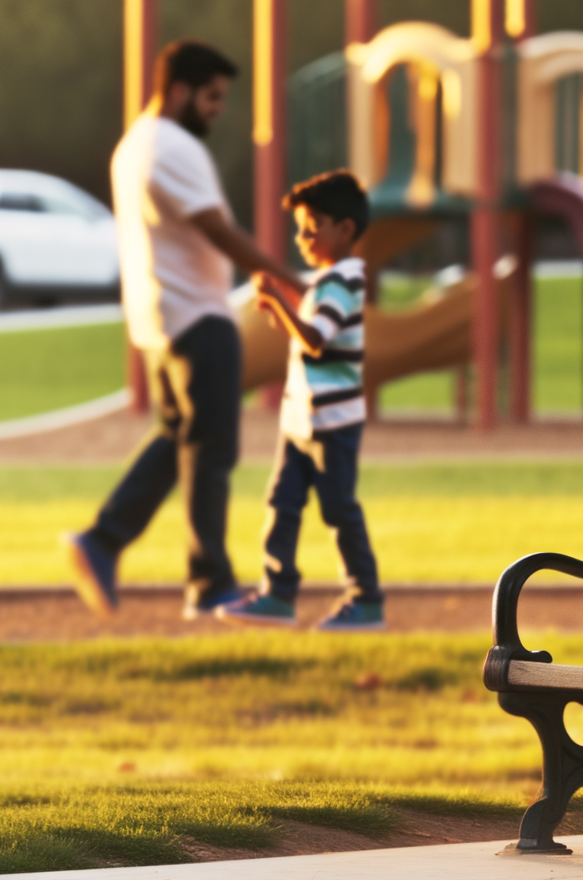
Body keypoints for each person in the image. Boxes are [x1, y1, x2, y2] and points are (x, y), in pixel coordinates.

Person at [63, 40, 301, 620]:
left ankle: (103, 540)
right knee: (212, 449)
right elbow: (217, 229)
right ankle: (209, 580)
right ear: (180, 91)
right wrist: (286, 278)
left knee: (180, 441)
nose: (218, 108)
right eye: (212, 96)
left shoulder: (133, 146)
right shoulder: (171, 145)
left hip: (158, 321)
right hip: (197, 317)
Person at [217, 171, 385, 631]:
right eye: (300, 227)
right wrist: (279, 305)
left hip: (333, 421)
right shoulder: (325, 283)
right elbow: (309, 327)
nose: (302, 237)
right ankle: (278, 592)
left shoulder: (342, 284)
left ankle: (366, 598)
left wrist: (280, 303)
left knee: (338, 509)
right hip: (301, 418)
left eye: (312, 226)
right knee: (282, 501)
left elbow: (314, 339)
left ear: (346, 229)